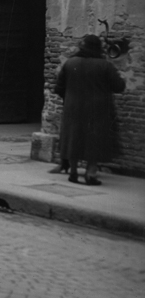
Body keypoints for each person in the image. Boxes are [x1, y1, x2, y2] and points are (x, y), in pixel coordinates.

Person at [54, 33, 126, 185]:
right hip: (98, 109)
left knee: (74, 138)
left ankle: (73, 172)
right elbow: (119, 87)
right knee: (95, 140)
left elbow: (59, 87)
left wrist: (70, 99)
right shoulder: (105, 65)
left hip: (72, 108)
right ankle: (90, 174)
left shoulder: (70, 63)